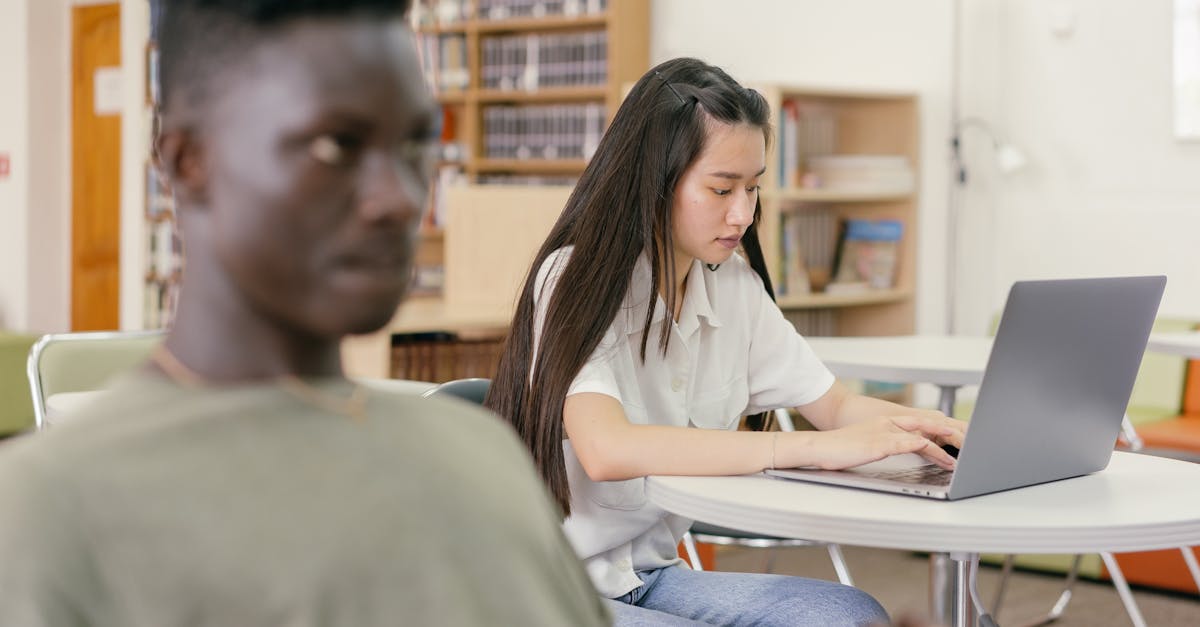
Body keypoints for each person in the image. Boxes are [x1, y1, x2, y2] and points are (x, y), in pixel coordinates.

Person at [0, 1, 608, 625]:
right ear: (189, 162)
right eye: (335, 145)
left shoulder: (485, 462)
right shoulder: (52, 513)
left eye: (415, 144)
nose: (399, 199)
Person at [486, 57, 966, 626]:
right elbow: (606, 449)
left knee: (848, 617)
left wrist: (944, 434)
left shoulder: (733, 286)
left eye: (753, 188)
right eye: (721, 188)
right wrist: (808, 449)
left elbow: (833, 404)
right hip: (544, 592)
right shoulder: (574, 278)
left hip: (649, 576)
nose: (742, 213)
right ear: (654, 180)